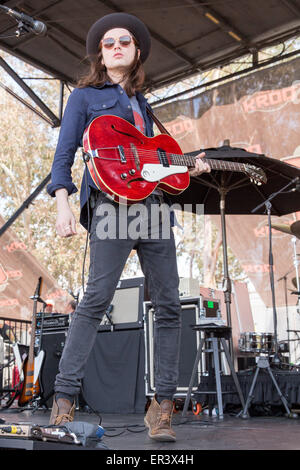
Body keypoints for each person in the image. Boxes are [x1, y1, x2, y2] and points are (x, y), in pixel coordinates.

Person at [47, 13, 210, 441]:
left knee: (171, 305)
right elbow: (63, 155)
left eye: (125, 41)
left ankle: (163, 408)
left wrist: (189, 167)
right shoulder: (83, 97)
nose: (116, 45)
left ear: (137, 51)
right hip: (111, 206)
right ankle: (63, 400)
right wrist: (63, 203)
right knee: (97, 298)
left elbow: (154, 165)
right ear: (100, 54)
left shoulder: (144, 106)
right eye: (107, 42)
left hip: (154, 208)